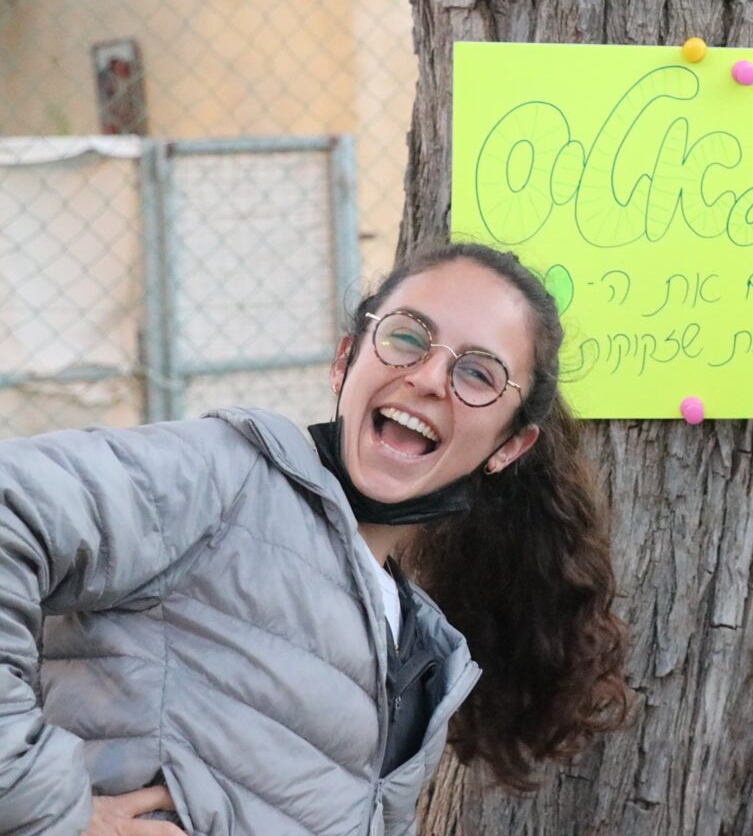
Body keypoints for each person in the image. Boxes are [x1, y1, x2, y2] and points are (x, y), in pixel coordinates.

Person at [0, 242, 629, 836]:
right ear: (344, 360)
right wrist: (47, 805)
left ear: (508, 447)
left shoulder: (421, 643)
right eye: (408, 337)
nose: (430, 377)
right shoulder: (228, 478)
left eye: (479, 374)